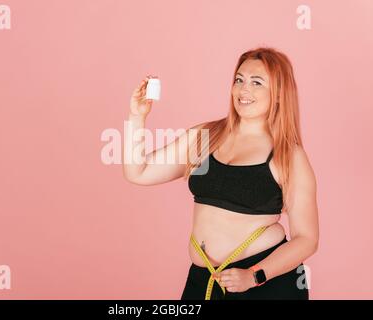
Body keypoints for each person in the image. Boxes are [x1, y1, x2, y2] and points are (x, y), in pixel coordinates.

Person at [122, 47, 319, 300]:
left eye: (256, 82)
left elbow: (307, 239)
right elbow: (139, 172)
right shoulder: (207, 138)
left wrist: (255, 275)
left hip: (264, 284)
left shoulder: (287, 156)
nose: (243, 89)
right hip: (203, 280)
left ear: (279, 94)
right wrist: (136, 117)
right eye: (239, 80)